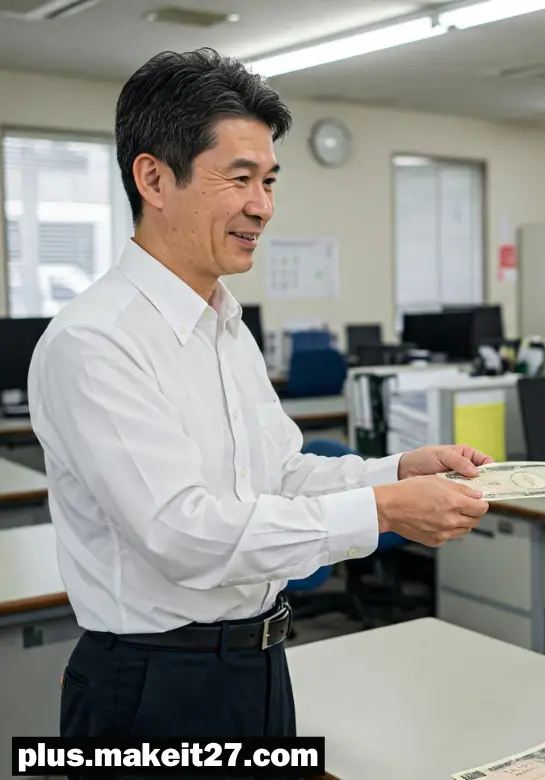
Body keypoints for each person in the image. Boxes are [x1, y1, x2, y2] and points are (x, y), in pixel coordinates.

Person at [27, 48, 493, 748]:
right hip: (156, 687)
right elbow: (184, 535)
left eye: (270, 181)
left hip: (260, 662)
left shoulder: (223, 324)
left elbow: (279, 476)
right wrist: (381, 511)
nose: (262, 207)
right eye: (240, 179)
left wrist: (396, 473)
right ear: (153, 177)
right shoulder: (95, 342)